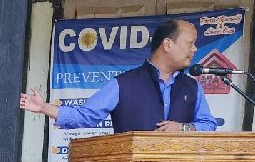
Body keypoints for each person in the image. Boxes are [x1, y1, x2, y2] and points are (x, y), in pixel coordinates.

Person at [20, 19, 217, 133]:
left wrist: (183, 129)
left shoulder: (192, 87)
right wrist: (44, 107)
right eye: (189, 43)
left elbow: (208, 124)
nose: (194, 49)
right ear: (167, 45)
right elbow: (86, 116)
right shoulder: (124, 84)